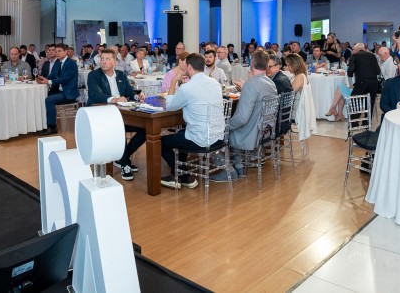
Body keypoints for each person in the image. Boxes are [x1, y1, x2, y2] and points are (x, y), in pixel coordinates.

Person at [159, 53, 224, 189]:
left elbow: (170, 106)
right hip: (217, 136)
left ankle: (183, 175)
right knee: (183, 133)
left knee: (159, 143)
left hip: (200, 139)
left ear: (189, 67)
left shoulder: (187, 88)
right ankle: (179, 175)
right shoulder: (215, 84)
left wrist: (173, 82)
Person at [216, 50, 277, 181]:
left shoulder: (252, 84)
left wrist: (224, 125)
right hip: (266, 129)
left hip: (252, 132)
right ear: (267, 66)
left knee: (218, 131)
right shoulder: (270, 82)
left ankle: (228, 170)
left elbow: (242, 119)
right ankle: (238, 167)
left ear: (252, 64)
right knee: (231, 125)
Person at [86, 48, 146, 180]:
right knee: (119, 127)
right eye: (102, 59)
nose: (104, 62)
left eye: (108, 59)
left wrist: (138, 97)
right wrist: (114, 99)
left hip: (122, 113)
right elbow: (95, 94)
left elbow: (130, 93)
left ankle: (121, 157)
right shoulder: (94, 75)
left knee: (145, 129)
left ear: (114, 62)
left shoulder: (120, 75)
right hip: (101, 115)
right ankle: (125, 164)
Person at [36, 43, 80, 135]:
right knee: (41, 97)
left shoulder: (71, 63)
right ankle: (43, 124)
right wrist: (44, 78)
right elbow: (53, 75)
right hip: (58, 91)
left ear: (66, 52)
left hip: (68, 93)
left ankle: (52, 127)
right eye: (56, 51)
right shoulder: (58, 62)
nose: (57, 53)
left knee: (49, 100)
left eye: (59, 51)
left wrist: (48, 82)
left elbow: (64, 79)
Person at [285, 53, 316, 140]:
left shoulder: (300, 77)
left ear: (294, 65)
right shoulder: (300, 75)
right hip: (298, 107)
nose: (287, 67)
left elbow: (290, 94)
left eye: (288, 65)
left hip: (297, 110)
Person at [346, 42, 382, 111]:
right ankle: (367, 121)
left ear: (357, 49)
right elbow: (378, 70)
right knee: (370, 104)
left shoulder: (354, 56)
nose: (353, 51)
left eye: (354, 49)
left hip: (361, 82)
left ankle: (355, 121)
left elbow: (351, 70)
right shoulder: (372, 56)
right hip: (373, 83)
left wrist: (350, 77)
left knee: (355, 101)